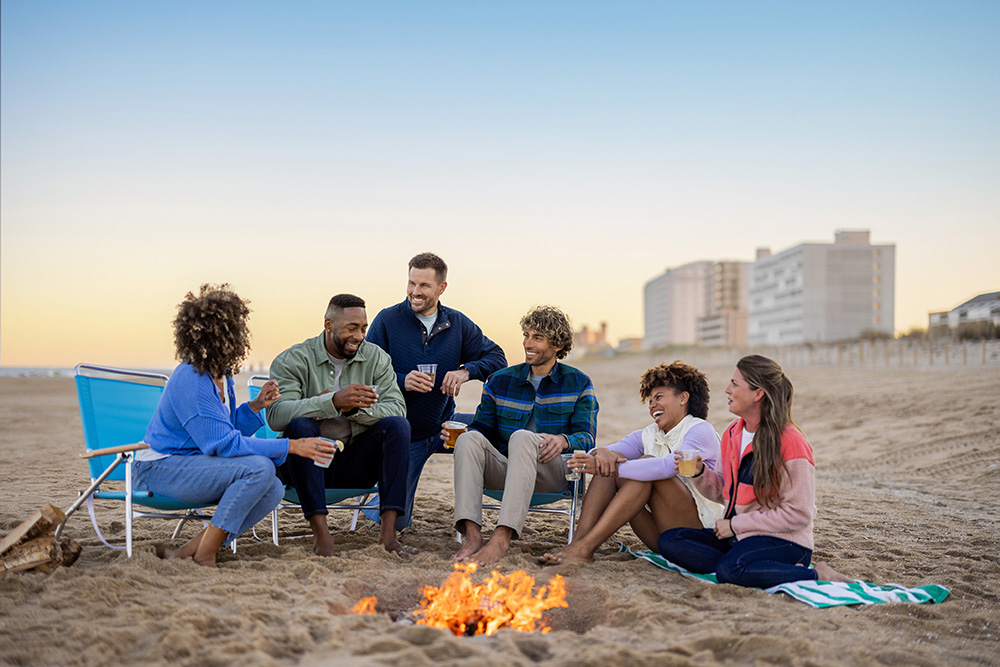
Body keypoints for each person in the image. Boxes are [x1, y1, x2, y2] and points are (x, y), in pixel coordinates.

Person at [135, 284, 336, 568]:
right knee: (260, 468)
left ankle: (190, 550)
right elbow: (222, 444)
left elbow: (224, 429)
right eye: (237, 327)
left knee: (274, 488)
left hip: (194, 463)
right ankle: (206, 555)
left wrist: (255, 407)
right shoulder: (191, 379)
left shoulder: (221, 376)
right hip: (159, 470)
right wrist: (292, 446)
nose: (242, 334)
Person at [657, 355, 851, 586]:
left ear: (757, 394)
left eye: (735, 384)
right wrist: (699, 473)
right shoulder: (732, 433)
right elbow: (724, 493)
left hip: (784, 541)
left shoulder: (791, 442)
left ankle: (818, 574)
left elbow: (799, 514)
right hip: (739, 537)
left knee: (730, 571)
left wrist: (735, 525)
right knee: (670, 540)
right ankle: (748, 566)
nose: (727, 390)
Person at [367, 252, 507, 529]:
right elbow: (363, 374)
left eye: (424, 286)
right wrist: (401, 380)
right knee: (397, 524)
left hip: (445, 427)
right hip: (405, 433)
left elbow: (497, 358)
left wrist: (466, 371)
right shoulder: (387, 320)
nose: (415, 292)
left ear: (441, 288)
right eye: (411, 283)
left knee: (501, 431)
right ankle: (378, 501)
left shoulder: (457, 323)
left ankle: (510, 513)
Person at [266, 294, 412, 557]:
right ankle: (322, 536)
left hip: (351, 463)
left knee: (398, 426)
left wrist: (354, 409)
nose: (359, 335)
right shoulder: (294, 359)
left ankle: (388, 536)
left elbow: (397, 408)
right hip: (301, 468)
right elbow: (276, 414)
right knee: (301, 425)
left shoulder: (377, 358)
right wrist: (330, 402)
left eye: (363, 328)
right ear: (328, 325)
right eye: (351, 328)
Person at [452, 305, 599, 566]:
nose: (527, 343)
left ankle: (501, 538)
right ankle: (473, 536)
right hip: (506, 471)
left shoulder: (578, 382)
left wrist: (565, 440)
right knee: (467, 438)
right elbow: (482, 428)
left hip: (551, 473)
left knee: (521, 437)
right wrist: (464, 434)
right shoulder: (499, 380)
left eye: (537, 338)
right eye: (526, 335)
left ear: (558, 345)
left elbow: (586, 437)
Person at [539, 361, 723, 565]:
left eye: (659, 397)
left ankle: (586, 546)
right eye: (650, 400)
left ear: (683, 398)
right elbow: (607, 450)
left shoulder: (699, 429)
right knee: (609, 466)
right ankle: (579, 543)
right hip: (660, 536)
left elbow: (667, 467)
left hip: (699, 534)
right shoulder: (649, 434)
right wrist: (601, 455)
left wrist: (613, 464)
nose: (653, 405)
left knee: (645, 465)